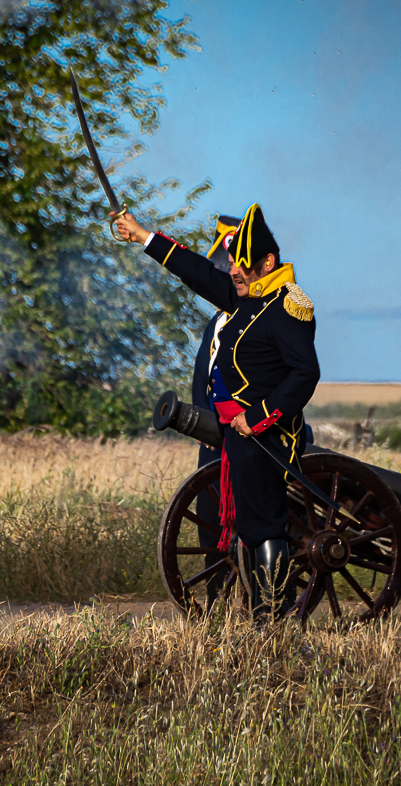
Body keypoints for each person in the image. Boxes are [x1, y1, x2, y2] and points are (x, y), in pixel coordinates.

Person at [113, 204, 320, 621]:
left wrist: (258, 416)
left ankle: (270, 620)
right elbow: (197, 272)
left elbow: (305, 374)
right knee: (245, 527)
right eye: (232, 266)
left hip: (268, 437)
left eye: (242, 266)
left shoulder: (287, 307)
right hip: (238, 438)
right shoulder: (246, 298)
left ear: (268, 263)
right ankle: (256, 611)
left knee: (264, 527)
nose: (233, 273)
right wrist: (141, 235)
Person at [191, 214, 242, 609]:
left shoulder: (266, 313)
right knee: (211, 527)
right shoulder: (216, 322)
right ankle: (216, 601)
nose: (226, 276)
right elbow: (201, 380)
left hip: (253, 435)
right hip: (214, 442)